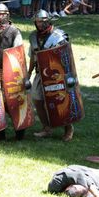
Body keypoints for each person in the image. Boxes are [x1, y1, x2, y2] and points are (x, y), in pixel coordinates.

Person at [28, 10, 74, 142]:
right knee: (37, 99)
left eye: (42, 22)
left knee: (59, 100)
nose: (39, 24)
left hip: (57, 75)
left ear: (48, 21)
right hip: (40, 72)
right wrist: (29, 73)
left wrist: (66, 75)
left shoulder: (58, 36)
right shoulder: (34, 37)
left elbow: (66, 57)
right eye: (37, 22)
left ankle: (68, 128)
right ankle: (46, 127)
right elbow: (33, 57)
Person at [0, 3, 24, 140]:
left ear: (6, 15)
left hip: (10, 71)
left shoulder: (14, 31)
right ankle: (0, 132)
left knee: (13, 101)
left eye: (1, 14)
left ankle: (20, 131)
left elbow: (17, 52)